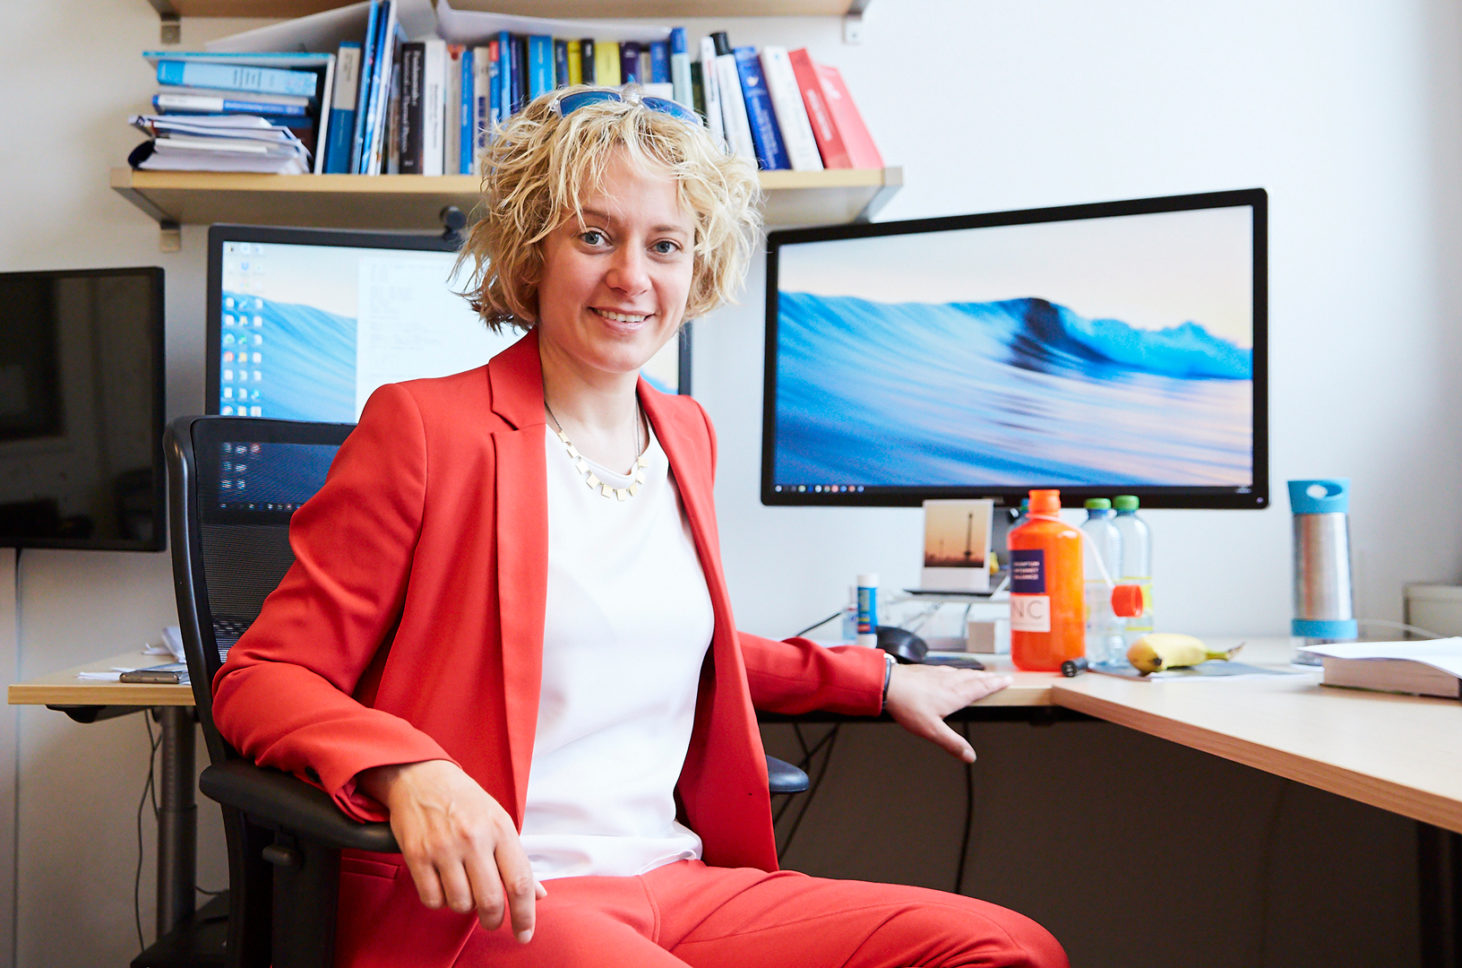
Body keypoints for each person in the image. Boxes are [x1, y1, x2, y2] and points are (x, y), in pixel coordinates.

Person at [211, 87, 1068, 968]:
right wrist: (410, 771)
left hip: (677, 879)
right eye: (594, 236)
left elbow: (674, 640)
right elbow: (264, 674)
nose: (632, 276)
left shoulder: (686, 433)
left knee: (1008, 949)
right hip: (500, 897)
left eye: (665, 245)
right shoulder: (426, 430)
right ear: (533, 249)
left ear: (696, 267)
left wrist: (877, 680)